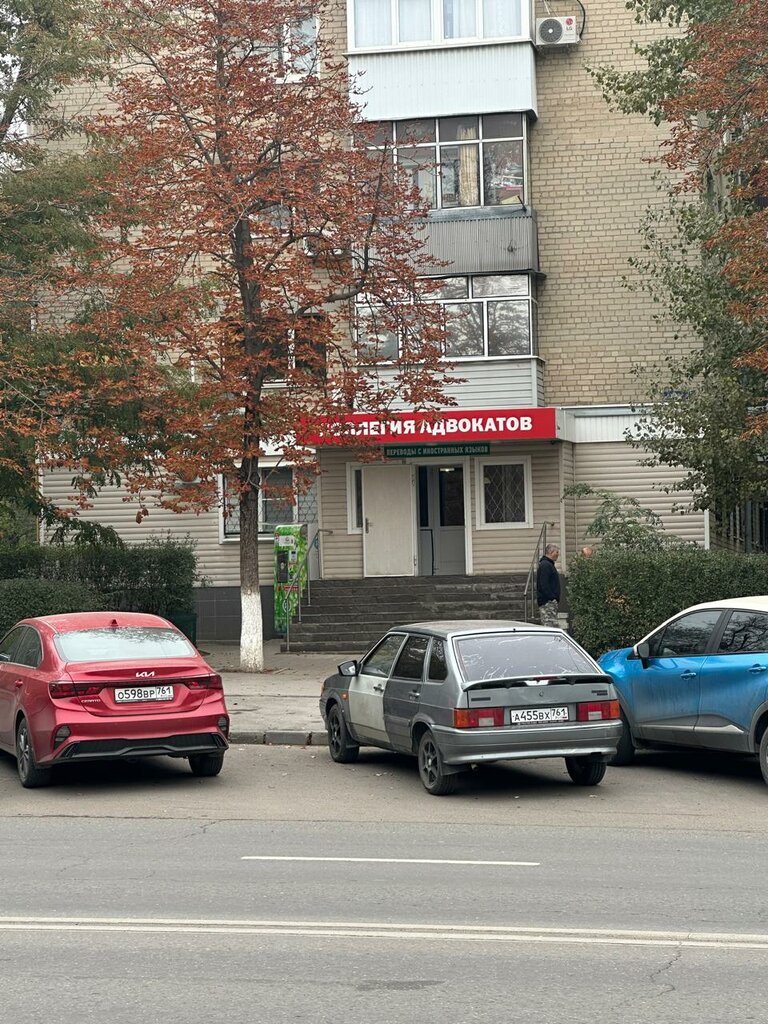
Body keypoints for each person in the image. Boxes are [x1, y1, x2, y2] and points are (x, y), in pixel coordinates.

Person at [536, 543, 561, 628]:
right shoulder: (546, 565)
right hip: (547, 602)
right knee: (549, 625)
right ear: (550, 552)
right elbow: (544, 584)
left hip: (549, 602)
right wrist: (552, 597)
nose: (558, 554)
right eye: (556, 552)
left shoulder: (547, 564)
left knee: (552, 624)